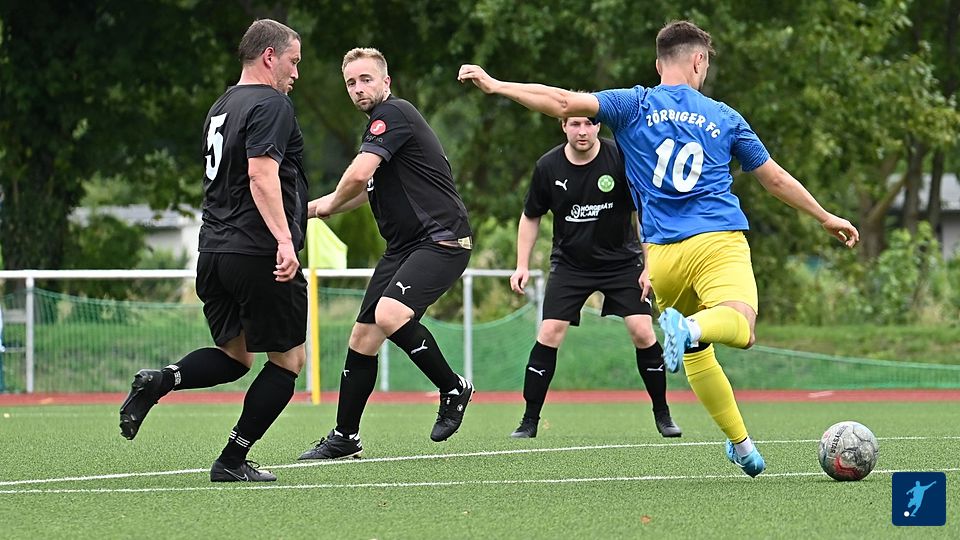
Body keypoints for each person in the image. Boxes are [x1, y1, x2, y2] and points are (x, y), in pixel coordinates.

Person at [458, 20, 860, 477]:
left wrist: (496, 85)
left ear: (657, 64)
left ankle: (743, 446)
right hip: (716, 241)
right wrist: (825, 216)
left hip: (663, 256)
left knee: (698, 354)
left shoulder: (633, 104)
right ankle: (690, 329)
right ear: (699, 61)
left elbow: (563, 102)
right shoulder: (724, 116)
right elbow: (774, 178)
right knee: (740, 326)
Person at [119, 19, 308, 483]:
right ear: (269, 57)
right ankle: (232, 459)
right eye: (293, 61)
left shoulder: (222, 106)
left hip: (214, 252)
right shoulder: (271, 103)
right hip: (257, 252)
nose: (296, 73)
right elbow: (260, 175)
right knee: (288, 361)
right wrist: (285, 241)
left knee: (236, 358)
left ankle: (161, 380)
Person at [298, 47, 474, 461]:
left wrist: (328, 202)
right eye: (351, 83)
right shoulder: (381, 133)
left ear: (386, 82)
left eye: (366, 79)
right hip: (403, 249)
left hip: (441, 240)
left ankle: (453, 388)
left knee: (390, 315)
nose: (358, 88)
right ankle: (345, 437)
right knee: (362, 339)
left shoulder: (393, 114)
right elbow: (361, 190)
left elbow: (358, 175)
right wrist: (307, 210)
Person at [508, 116, 680, 439]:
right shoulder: (548, 166)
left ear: (599, 126)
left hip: (622, 262)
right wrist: (522, 265)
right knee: (550, 332)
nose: (582, 131)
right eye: (575, 124)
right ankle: (529, 421)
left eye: (589, 124)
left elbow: (643, 213)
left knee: (642, 331)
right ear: (563, 126)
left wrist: (650, 266)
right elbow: (530, 216)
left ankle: (663, 413)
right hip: (570, 265)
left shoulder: (621, 157)